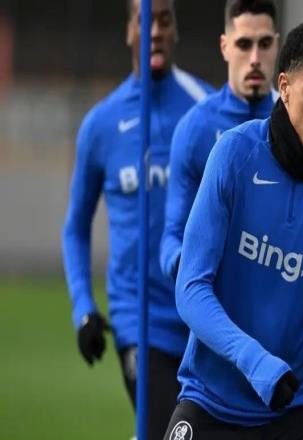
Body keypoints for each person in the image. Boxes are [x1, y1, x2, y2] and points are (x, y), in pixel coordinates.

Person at [164, 22, 303, 440]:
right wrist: (254, 360)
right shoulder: (233, 155)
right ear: (284, 87)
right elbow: (191, 289)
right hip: (210, 404)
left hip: (289, 409)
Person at [61, 0, 214, 438]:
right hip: (139, 321)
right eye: (145, 20)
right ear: (129, 30)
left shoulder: (205, 109)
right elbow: (75, 228)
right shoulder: (101, 126)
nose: (155, 31)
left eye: (164, 20)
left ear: (176, 30)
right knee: (173, 430)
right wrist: (83, 309)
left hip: (203, 319)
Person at [160, 0, 279, 282]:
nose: (255, 58)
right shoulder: (195, 128)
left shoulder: (300, 124)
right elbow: (171, 238)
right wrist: (190, 265)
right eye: (244, 44)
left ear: (277, 45)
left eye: (264, 44)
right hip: (214, 300)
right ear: (225, 47)